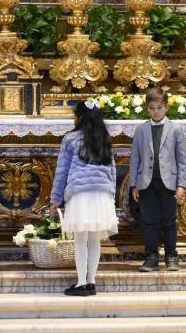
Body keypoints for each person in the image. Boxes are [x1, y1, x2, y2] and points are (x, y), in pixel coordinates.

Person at [50, 99, 119, 296]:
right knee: (95, 239)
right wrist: (111, 197)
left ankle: (81, 282)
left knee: (80, 238)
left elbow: (61, 171)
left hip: (80, 192)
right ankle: (91, 281)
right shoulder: (105, 138)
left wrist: (55, 200)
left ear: (80, 118)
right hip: (102, 193)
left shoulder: (70, 139)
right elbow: (112, 169)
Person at [129, 88, 186, 272]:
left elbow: (181, 158)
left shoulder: (176, 129)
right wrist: (134, 184)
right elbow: (135, 158)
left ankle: (171, 256)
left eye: (159, 107)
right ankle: (151, 257)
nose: (156, 111)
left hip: (168, 181)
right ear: (147, 108)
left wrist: (181, 183)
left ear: (167, 107)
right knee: (149, 220)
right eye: (152, 108)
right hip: (146, 182)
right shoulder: (141, 129)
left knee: (169, 220)